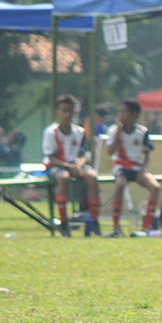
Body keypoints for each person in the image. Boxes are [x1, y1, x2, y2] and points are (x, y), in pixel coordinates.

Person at [42, 95, 101, 237]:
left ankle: (94, 221)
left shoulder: (79, 131)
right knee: (63, 178)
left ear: (75, 112)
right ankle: (64, 223)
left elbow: (83, 154)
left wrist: (78, 165)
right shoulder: (51, 132)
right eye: (64, 110)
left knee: (92, 177)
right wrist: (68, 165)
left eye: (70, 110)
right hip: (57, 166)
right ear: (57, 113)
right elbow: (51, 158)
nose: (67, 114)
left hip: (75, 166)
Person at [106, 100, 160, 237]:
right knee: (120, 184)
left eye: (124, 112)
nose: (121, 115)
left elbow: (147, 154)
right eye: (120, 112)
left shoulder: (142, 132)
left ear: (134, 114)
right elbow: (110, 151)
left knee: (156, 188)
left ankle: (147, 227)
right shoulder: (114, 130)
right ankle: (116, 226)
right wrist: (118, 132)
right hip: (121, 167)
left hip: (137, 168)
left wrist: (143, 169)